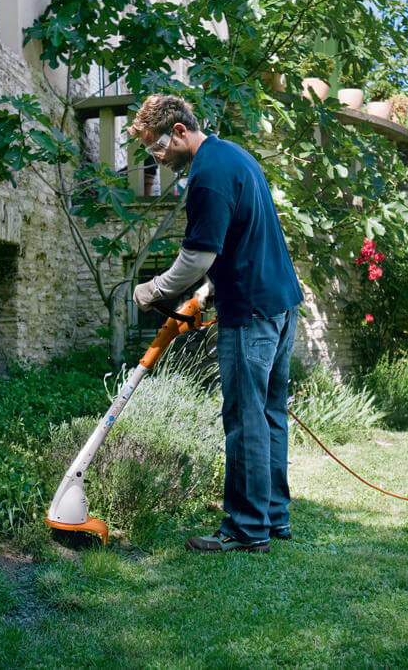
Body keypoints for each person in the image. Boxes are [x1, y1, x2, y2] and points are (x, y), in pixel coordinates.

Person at [128, 94, 303, 553]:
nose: (157, 159)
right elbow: (241, 238)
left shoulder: (205, 176)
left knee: (245, 419)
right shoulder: (233, 155)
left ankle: (246, 529)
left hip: (250, 314)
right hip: (281, 304)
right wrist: (207, 291)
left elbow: (197, 256)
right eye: (150, 152)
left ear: (181, 131)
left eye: (158, 148)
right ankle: (273, 518)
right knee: (269, 415)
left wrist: (154, 291)